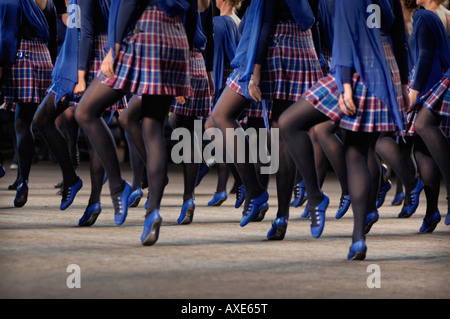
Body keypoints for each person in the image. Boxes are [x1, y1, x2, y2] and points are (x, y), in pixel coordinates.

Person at [279, 0, 410, 259]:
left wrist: (345, 83)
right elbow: (399, 35)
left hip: (357, 65)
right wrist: (404, 83)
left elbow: (345, 33)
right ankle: (358, 240)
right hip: (386, 67)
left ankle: (315, 196)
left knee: (289, 122)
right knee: (358, 152)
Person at [75, 0, 198, 246]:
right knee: (153, 128)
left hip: (144, 32)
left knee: (86, 111)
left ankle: (118, 187)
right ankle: (152, 211)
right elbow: (193, 12)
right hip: (176, 38)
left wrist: (114, 46)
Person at [207, 0, 323, 239]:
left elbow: (268, 18)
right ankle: (281, 216)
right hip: (301, 45)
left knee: (221, 116)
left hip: (273, 46)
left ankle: (255, 191)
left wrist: (256, 69)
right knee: (282, 132)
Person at [0, 0, 57, 208]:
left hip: (20, 56)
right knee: (25, 123)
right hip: (44, 59)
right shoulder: (48, 2)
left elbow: (7, 35)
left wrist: (2, 65)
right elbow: (53, 38)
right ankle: (23, 181)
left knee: (21, 123)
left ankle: (13, 174)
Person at [168, 0, 215, 225]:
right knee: (188, 131)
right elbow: (210, 35)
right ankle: (189, 198)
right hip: (199, 64)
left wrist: (179, 73)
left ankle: (152, 184)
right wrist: (210, 73)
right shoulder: (207, 2)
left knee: (144, 119)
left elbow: (184, 33)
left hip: (180, 62)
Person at [409, 0, 450, 232]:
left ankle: (433, 204)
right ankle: (431, 211)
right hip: (439, 79)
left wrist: (414, 90)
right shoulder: (442, 15)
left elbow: (424, 55)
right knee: (422, 149)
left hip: (429, 84)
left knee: (420, 137)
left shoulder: (423, 16)